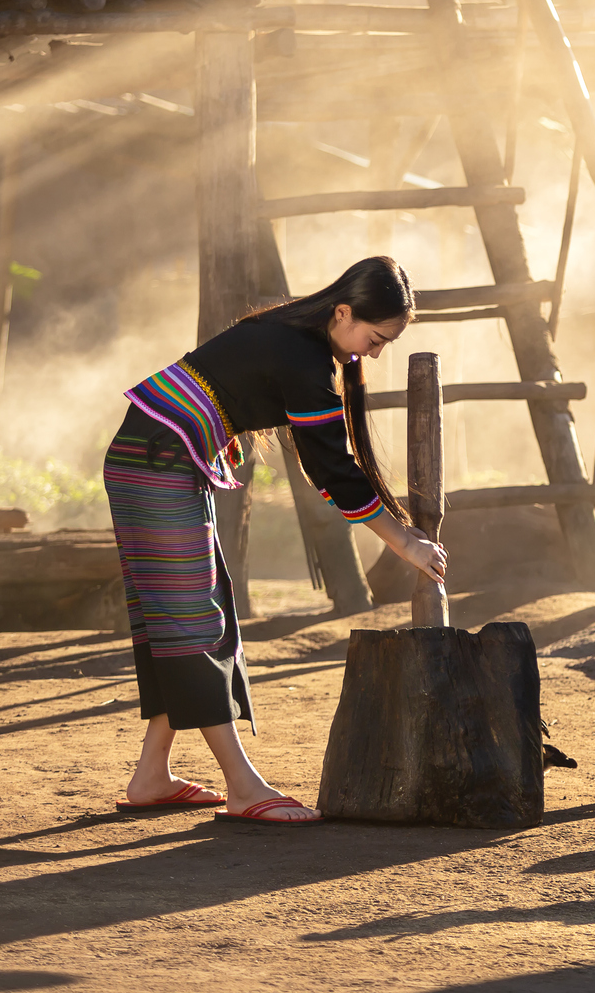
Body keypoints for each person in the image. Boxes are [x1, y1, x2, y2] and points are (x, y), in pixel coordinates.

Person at [105, 256, 447, 825]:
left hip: (158, 461)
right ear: (343, 313)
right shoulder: (301, 355)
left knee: (189, 615)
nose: (374, 354)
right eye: (375, 339)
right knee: (193, 621)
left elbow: (330, 462)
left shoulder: (294, 336)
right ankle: (243, 786)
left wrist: (398, 531)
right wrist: (402, 542)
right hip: (155, 465)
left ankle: (151, 777)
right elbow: (330, 466)